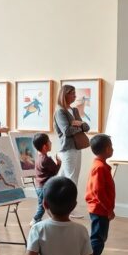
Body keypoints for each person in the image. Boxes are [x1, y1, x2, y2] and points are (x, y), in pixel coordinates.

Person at [53, 85, 90, 219]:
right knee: (71, 179)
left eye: (75, 93)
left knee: (63, 178)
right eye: (72, 93)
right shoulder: (60, 112)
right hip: (68, 149)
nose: (75, 96)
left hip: (77, 147)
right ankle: (69, 208)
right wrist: (78, 125)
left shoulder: (74, 110)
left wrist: (78, 124)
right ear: (65, 95)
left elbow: (87, 126)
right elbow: (66, 131)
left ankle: (55, 203)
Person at [84, 134, 116, 255]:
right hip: (99, 209)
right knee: (97, 238)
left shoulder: (100, 165)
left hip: (100, 209)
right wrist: (108, 209)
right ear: (107, 149)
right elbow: (98, 191)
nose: (113, 149)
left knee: (101, 237)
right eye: (111, 146)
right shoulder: (100, 167)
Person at [31, 133, 60, 226]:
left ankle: (51, 219)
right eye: (49, 142)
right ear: (44, 146)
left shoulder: (38, 157)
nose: (51, 143)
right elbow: (55, 171)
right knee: (43, 206)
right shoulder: (46, 159)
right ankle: (35, 220)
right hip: (45, 187)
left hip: (39, 186)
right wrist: (59, 163)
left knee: (44, 204)